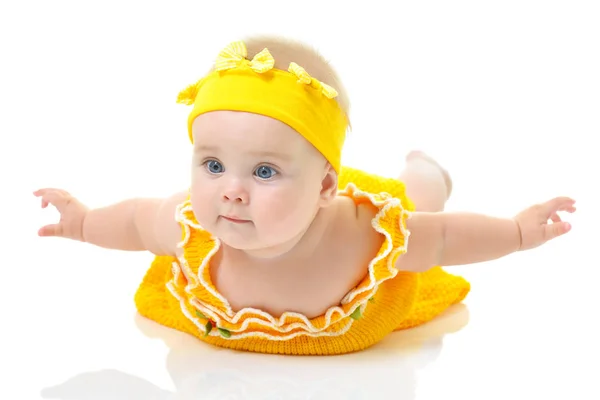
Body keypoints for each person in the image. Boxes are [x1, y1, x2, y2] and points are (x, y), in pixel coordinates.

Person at [33, 36, 576, 356]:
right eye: (214, 165)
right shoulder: (189, 227)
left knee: (419, 205)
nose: (232, 192)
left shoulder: (368, 235)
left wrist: (520, 231)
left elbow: (445, 240)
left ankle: (425, 172)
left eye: (264, 171)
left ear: (323, 187)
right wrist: (83, 223)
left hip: (366, 227)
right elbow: (132, 222)